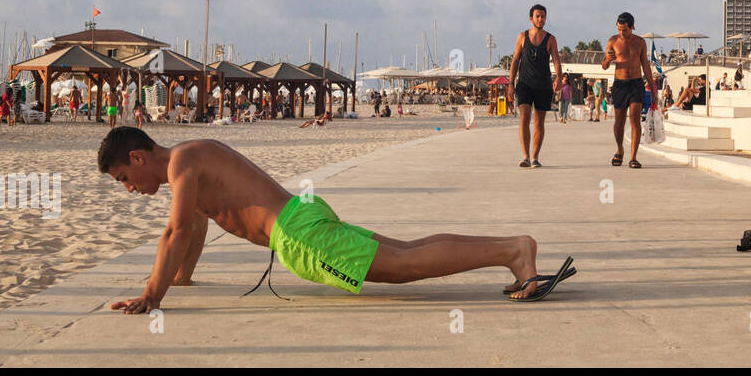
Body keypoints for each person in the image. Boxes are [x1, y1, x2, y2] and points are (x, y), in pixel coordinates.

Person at [98, 127, 574, 309]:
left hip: (299, 235)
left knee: (402, 268)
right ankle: (512, 248)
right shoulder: (190, 158)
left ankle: (513, 251)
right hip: (301, 217)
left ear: (138, 158)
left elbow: (176, 231)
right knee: (406, 250)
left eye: (123, 177)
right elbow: (195, 227)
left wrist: (150, 295)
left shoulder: (182, 162)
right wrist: (178, 279)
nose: (129, 189)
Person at [507, 4, 563, 168]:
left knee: (539, 122)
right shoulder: (522, 37)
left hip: (543, 85)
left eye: (543, 16)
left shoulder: (550, 39)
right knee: (524, 119)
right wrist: (511, 83)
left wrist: (559, 78)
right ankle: (525, 156)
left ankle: (535, 157)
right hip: (524, 83)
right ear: (531, 18)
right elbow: (515, 60)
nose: (541, 19)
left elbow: (557, 60)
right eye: (537, 16)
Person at [602, 12, 654, 168]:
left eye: (625, 30)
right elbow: (604, 66)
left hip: (636, 83)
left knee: (635, 118)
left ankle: (633, 157)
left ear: (632, 27)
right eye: (619, 29)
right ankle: (620, 149)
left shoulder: (640, 42)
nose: (622, 33)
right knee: (619, 121)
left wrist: (653, 87)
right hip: (620, 84)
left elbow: (645, 66)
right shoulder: (613, 41)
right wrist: (608, 60)